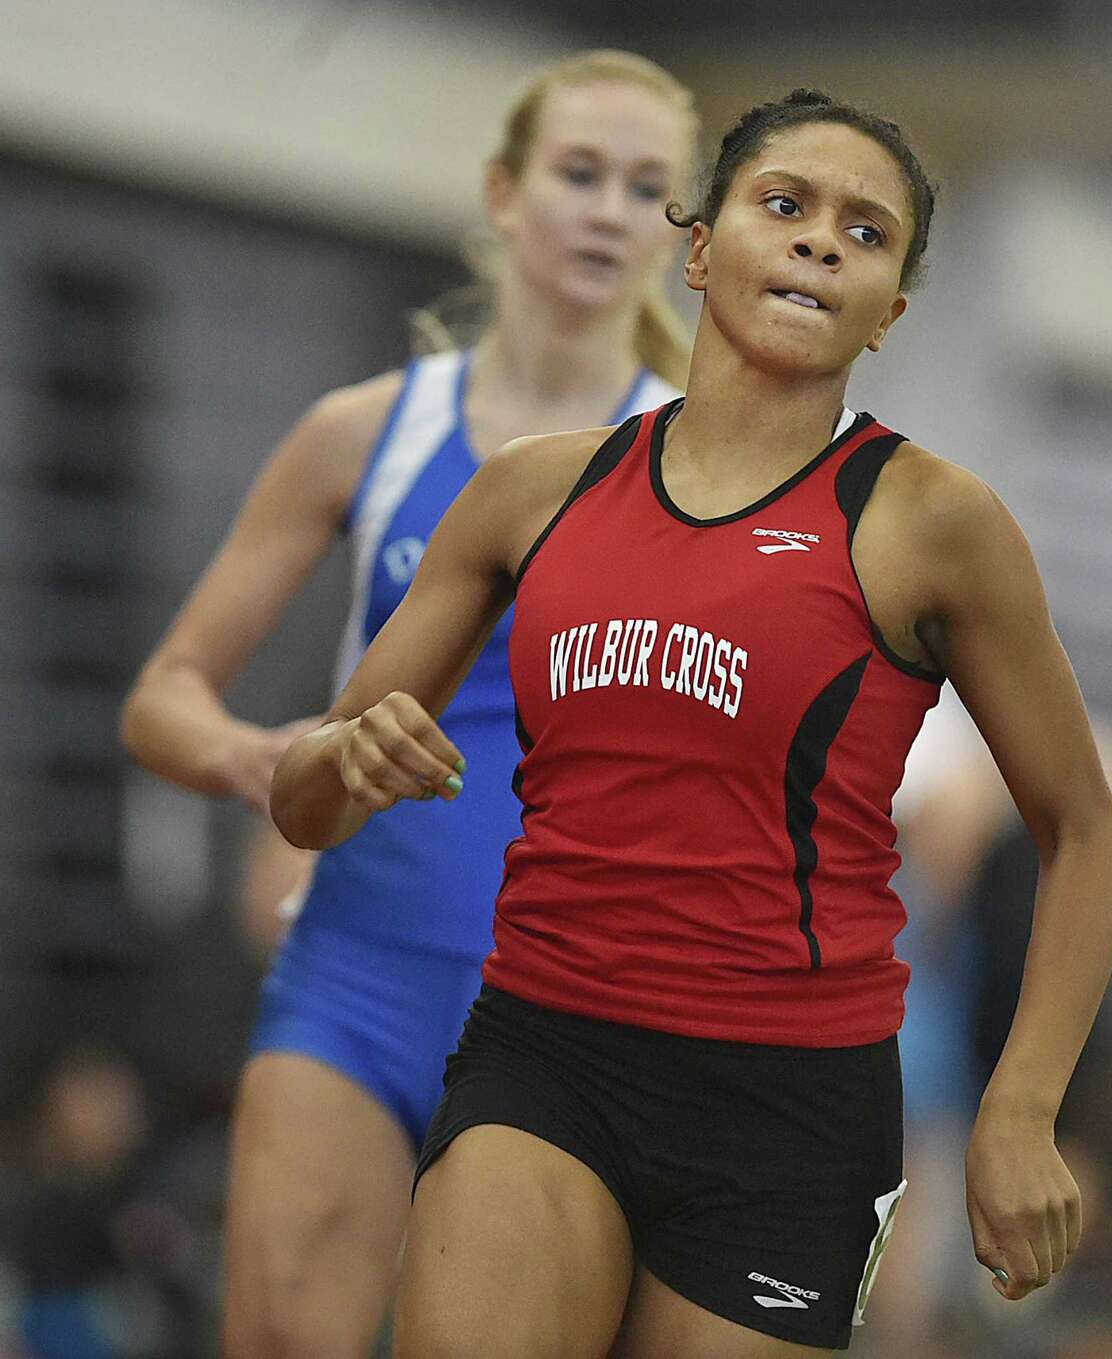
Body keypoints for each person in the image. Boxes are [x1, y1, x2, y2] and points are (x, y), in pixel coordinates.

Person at [271, 88, 1112, 1358]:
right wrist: (345, 756)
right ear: (699, 247)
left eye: (865, 232)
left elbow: (1083, 833)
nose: (820, 241)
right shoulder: (532, 492)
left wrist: (1019, 1109)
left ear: (889, 310)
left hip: (790, 1105)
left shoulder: (933, 523)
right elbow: (307, 802)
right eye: (784, 205)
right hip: (544, 1055)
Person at [119, 50, 697, 1359]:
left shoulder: (698, 466)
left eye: (648, 188)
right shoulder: (362, 431)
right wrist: (257, 756)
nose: (610, 209)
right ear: (504, 193)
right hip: (356, 971)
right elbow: (163, 693)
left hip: (575, 1004)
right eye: (580, 173)